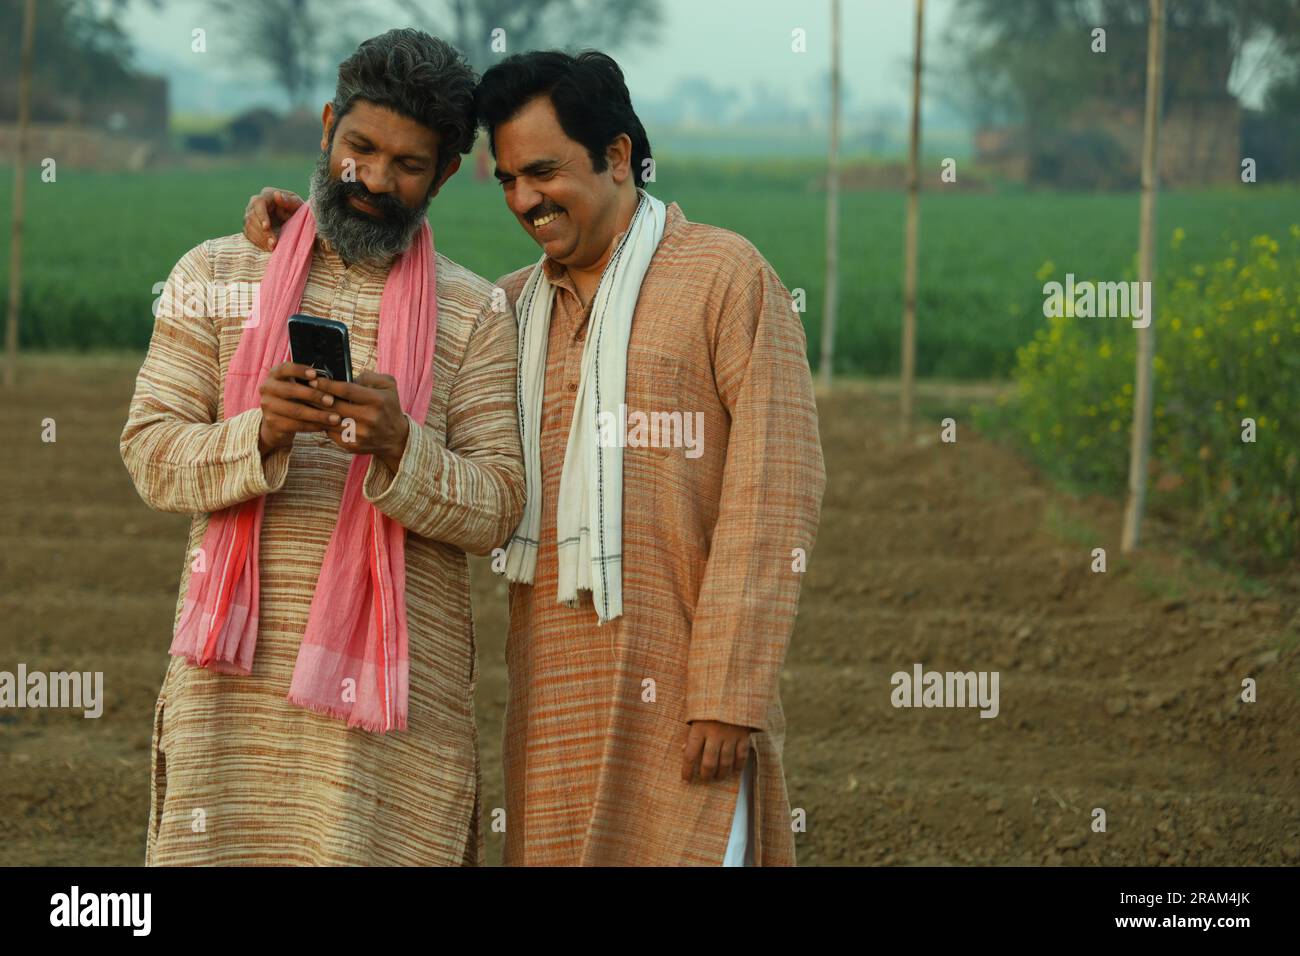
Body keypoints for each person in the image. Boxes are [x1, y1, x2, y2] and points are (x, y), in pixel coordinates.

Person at [243, 50, 825, 866]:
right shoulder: (507, 309)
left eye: (544, 172)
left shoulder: (725, 279)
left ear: (619, 156)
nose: (525, 201)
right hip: (553, 694)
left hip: (689, 701)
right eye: (509, 179)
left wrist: (730, 694)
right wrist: (294, 227)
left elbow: (776, 494)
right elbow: (388, 302)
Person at [121, 29, 525, 866]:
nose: (375, 179)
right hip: (229, 695)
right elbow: (151, 455)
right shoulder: (214, 272)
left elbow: (498, 505)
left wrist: (401, 448)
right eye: (360, 148)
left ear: (449, 173)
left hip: (393, 714)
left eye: (408, 164)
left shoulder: (478, 313)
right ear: (327, 126)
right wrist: (259, 431)